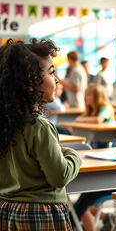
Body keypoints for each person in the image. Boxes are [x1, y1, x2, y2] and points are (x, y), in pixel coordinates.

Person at [0, 39, 82, 230]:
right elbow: (59, 176)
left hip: (6, 210)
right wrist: (73, 156)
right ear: (30, 82)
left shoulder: (5, 123)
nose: (57, 79)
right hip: (39, 213)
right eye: (52, 72)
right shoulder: (39, 126)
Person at [73, 83, 116, 231]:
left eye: (89, 95)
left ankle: (73, 224)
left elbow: (99, 120)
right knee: (82, 202)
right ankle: (105, 218)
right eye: (86, 95)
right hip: (95, 164)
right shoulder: (89, 112)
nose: (86, 98)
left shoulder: (105, 110)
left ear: (98, 97)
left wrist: (82, 120)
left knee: (82, 203)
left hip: (110, 172)